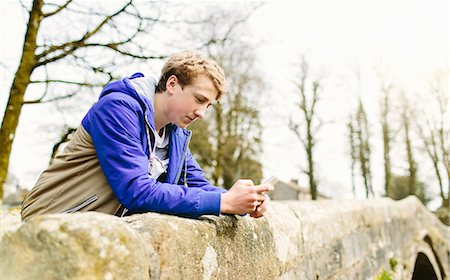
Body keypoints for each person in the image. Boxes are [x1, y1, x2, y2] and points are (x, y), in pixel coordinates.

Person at [21, 50, 273, 221]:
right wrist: (224, 202)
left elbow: (199, 187)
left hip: (95, 232)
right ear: (172, 84)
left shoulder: (175, 134)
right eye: (199, 100)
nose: (202, 113)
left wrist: (243, 202)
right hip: (50, 221)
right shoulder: (117, 109)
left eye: (209, 106)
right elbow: (136, 190)